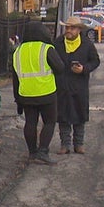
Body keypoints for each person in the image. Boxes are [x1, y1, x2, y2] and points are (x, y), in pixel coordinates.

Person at [12, 20, 64, 164]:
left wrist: (17, 98)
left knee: (30, 123)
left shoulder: (18, 51)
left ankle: (32, 153)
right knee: (49, 122)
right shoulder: (46, 48)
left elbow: (15, 77)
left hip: (26, 94)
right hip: (46, 93)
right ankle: (43, 151)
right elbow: (60, 68)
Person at [51, 16, 99, 155]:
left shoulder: (86, 44)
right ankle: (64, 144)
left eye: (72, 28)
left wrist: (84, 69)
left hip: (79, 86)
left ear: (79, 29)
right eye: (67, 27)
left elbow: (95, 61)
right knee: (63, 116)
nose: (69, 30)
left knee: (79, 115)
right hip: (62, 86)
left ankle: (79, 144)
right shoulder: (58, 43)